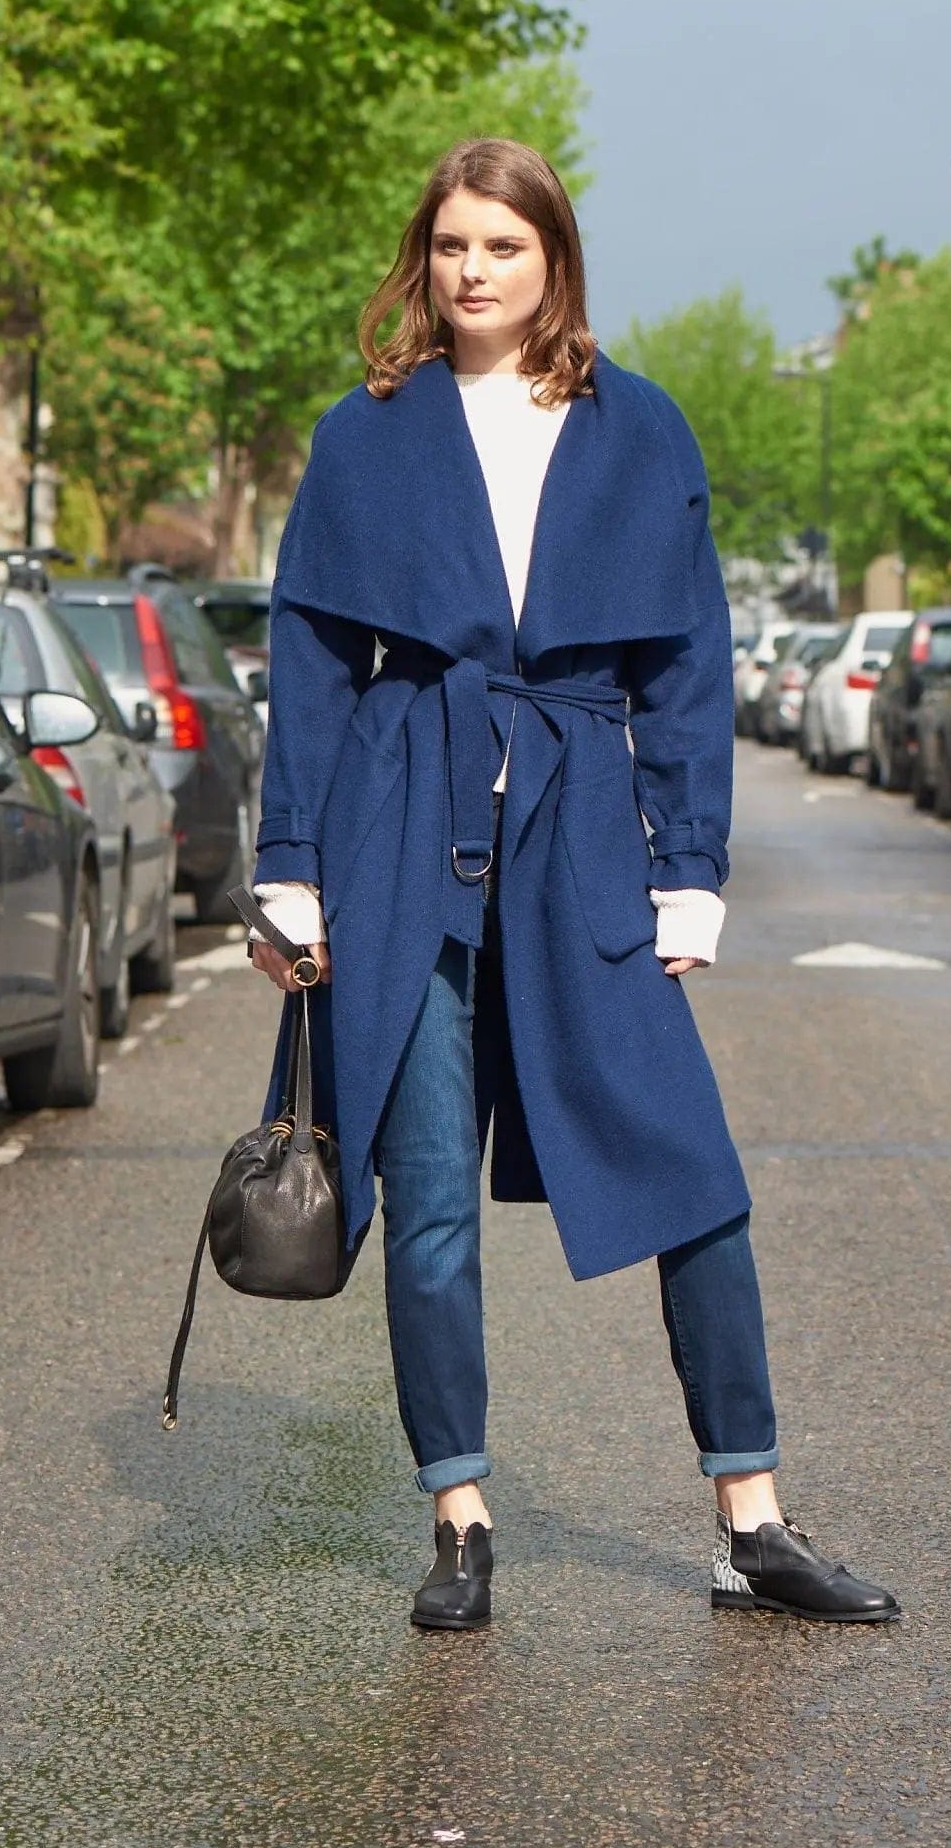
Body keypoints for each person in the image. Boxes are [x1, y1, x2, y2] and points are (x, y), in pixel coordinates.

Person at [249, 137, 898, 1632]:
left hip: (583, 835)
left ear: (555, 261)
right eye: (450, 246)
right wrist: (290, 870)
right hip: (398, 834)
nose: (472, 271)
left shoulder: (639, 428)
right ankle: (460, 1521)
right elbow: (311, 659)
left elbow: (685, 668)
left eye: (503, 246)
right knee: (428, 1199)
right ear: (422, 260)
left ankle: (754, 1524)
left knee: (692, 1178)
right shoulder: (368, 431)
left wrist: (690, 869)